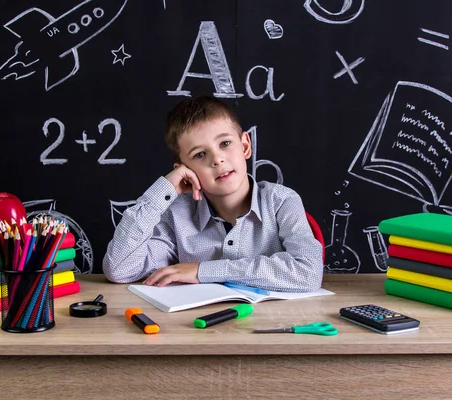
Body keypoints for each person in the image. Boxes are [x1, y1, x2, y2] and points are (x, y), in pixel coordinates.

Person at [102, 96, 323, 292]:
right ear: (184, 170)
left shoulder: (281, 201)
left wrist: (202, 271)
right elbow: (120, 269)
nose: (217, 159)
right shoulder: (177, 215)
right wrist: (163, 190)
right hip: (199, 329)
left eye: (225, 143)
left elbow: (309, 272)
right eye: (199, 155)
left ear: (245, 146)